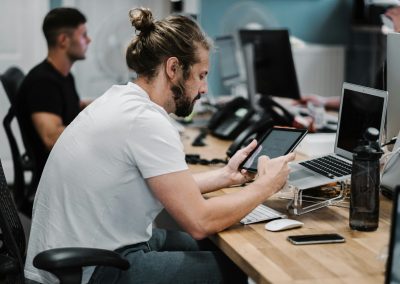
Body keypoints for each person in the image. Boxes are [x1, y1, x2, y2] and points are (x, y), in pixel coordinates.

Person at [24, 8, 295, 284]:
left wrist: (225, 176)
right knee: (239, 270)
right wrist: (266, 186)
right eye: (201, 75)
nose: (204, 89)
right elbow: (200, 221)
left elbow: (167, 185)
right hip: (90, 267)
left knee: (219, 249)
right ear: (173, 68)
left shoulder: (122, 98)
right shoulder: (146, 120)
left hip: (86, 249)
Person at [15, 7, 91, 194]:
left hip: (67, 168)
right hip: (56, 180)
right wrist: (98, 131)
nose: (88, 40)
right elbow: (52, 138)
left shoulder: (63, 77)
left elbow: (71, 107)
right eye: (83, 35)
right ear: (64, 40)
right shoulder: (43, 83)